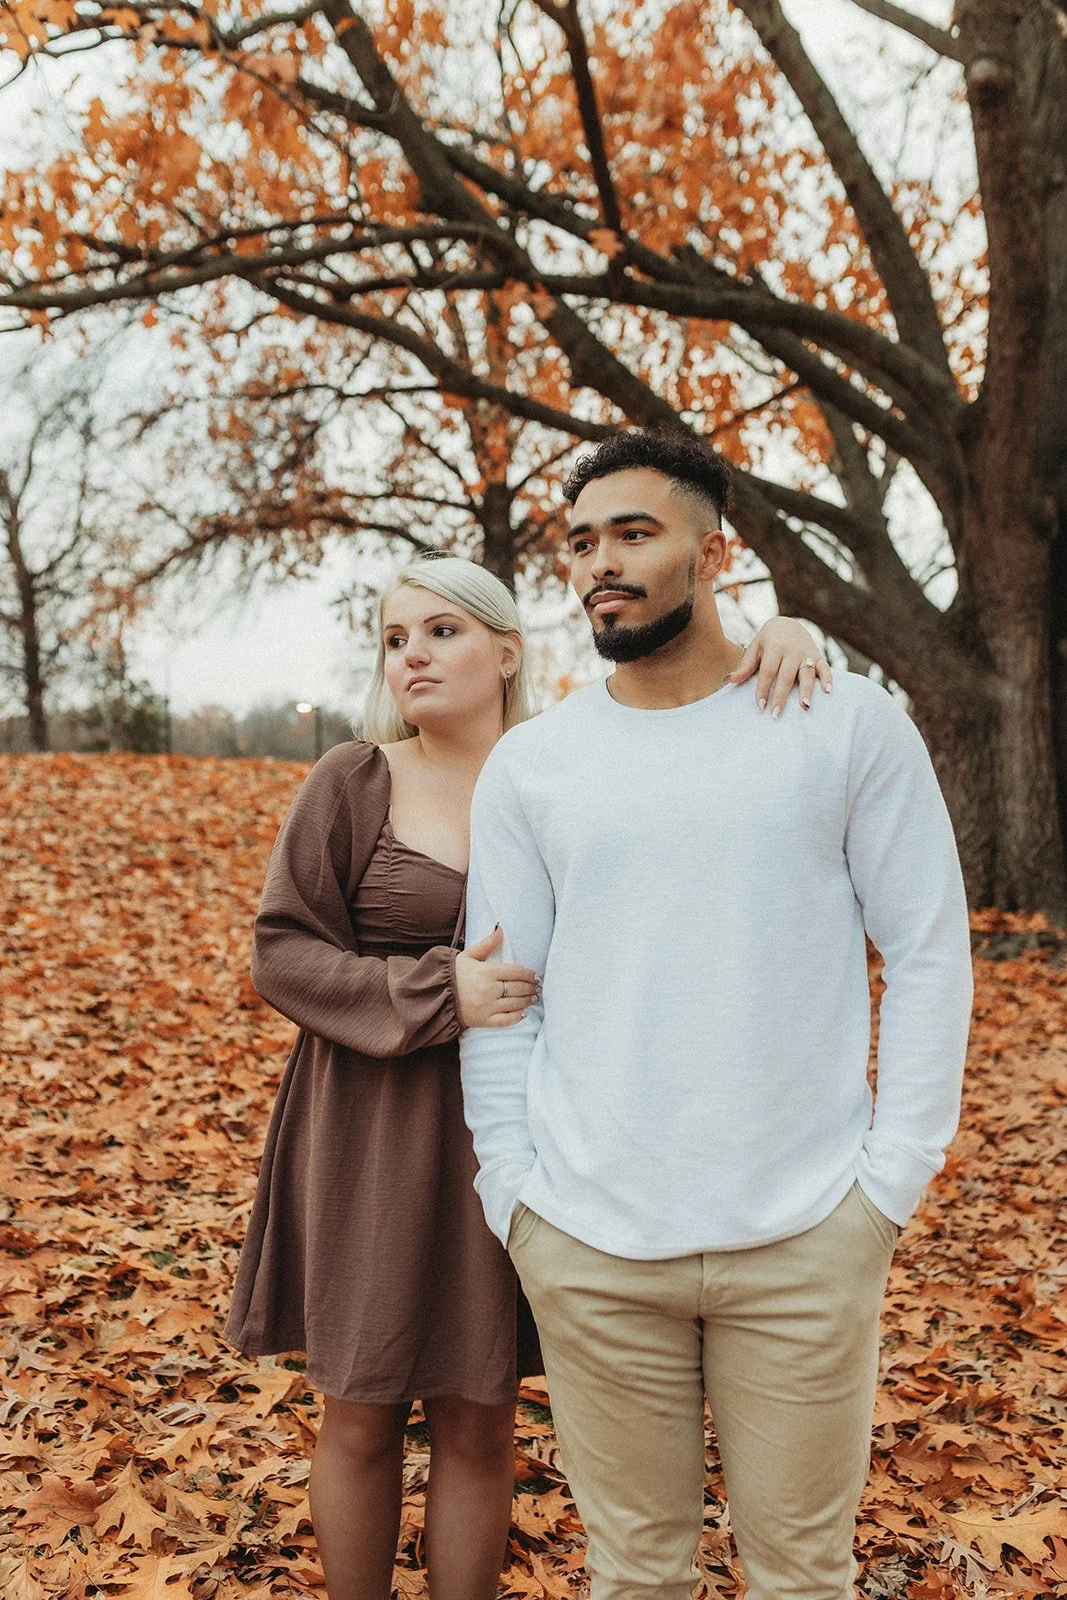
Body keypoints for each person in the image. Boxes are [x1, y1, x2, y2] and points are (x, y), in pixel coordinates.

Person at [225, 548, 831, 1600]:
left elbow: (696, 745)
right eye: (394, 637)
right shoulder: (353, 779)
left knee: (479, 1407)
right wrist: (431, 994)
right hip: (369, 1130)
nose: (412, 654)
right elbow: (282, 950)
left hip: (524, 1130)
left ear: (506, 649)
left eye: (441, 631)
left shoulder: (574, 767)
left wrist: (792, 634)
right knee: (362, 1407)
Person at [459, 431, 974, 1600]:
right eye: (583, 541)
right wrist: (515, 1192)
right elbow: (503, 993)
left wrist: (888, 1182)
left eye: (634, 533)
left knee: (801, 1573)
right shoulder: (535, 766)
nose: (602, 561)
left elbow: (931, 950)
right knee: (635, 1572)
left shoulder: (842, 725)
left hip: (804, 1237)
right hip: (589, 1236)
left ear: (712, 549)